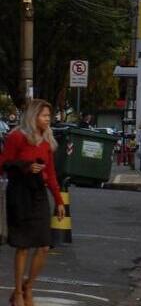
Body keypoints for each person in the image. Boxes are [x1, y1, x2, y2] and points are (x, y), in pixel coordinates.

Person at [0, 99, 65, 306]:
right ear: (33, 116)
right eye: (44, 115)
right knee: (23, 246)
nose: (48, 119)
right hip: (20, 193)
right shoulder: (16, 137)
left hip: (39, 194)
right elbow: (3, 164)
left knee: (44, 245)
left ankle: (28, 286)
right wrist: (26, 166)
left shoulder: (47, 140)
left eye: (49, 116)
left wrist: (59, 201)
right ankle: (19, 292)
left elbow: (51, 174)